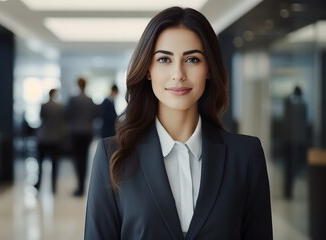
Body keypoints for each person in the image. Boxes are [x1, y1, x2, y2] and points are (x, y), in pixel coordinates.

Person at [85, 6, 272, 239]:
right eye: (164, 59)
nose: (178, 73)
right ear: (148, 70)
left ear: (209, 70)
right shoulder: (112, 155)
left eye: (192, 59)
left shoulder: (245, 156)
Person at [65, 77, 98, 196]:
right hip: (88, 132)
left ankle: (79, 186)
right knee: (84, 158)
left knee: (77, 159)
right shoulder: (90, 100)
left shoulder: (73, 100)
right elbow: (95, 114)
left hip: (76, 133)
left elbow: (67, 115)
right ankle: (82, 186)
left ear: (78, 85)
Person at [35, 89, 66, 194]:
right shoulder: (60, 107)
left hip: (43, 137)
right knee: (55, 164)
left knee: (40, 163)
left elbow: (41, 118)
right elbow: (62, 122)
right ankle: (54, 186)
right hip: (55, 138)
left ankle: (38, 184)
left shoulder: (44, 106)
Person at [283, 85, 308, 199]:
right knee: (292, 167)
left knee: (290, 167)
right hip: (297, 140)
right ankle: (288, 191)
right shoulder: (302, 105)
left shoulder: (290, 104)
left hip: (290, 140)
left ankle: (288, 191)